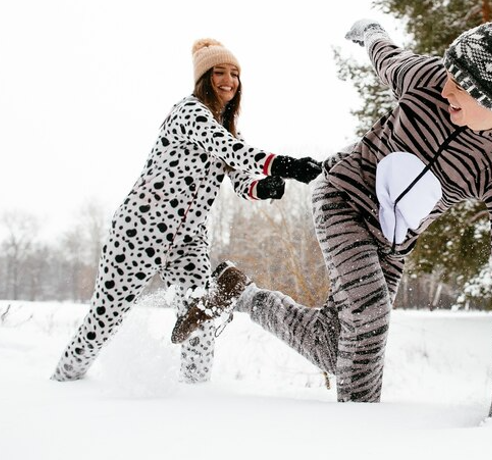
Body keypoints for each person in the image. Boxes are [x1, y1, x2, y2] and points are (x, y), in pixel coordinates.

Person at [173, 14, 492, 416]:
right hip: (342, 197)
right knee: (370, 317)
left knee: (340, 347)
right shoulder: (426, 78)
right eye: (448, 73)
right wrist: (370, 32)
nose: (446, 86)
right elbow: (387, 56)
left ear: (491, 100)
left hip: (391, 244)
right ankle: (358, 436)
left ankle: (241, 293)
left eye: (460, 85)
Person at [52, 38, 321, 384]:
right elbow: (229, 149)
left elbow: (241, 180)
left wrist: (264, 186)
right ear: (203, 78)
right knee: (106, 318)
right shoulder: (189, 112)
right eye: (219, 73)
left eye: (235, 74)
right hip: (142, 228)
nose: (228, 81)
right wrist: (284, 164)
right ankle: (64, 382)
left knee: (200, 321)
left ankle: (194, 397)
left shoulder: (227, 129)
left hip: (189, 240)